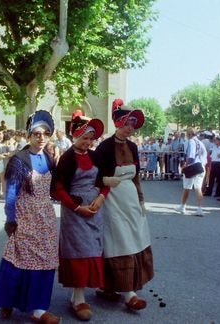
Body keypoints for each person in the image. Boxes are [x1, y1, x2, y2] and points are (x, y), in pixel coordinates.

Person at [0, 110, 60, 324]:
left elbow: (53, 188)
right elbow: (10, 194)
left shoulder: (48, 159)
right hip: (25, 217)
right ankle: (7, 300)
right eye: (37, 133)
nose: (41, 138)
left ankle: (38, 309)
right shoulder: (19, 160)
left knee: (45, 261)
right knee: (18, 261)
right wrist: (11, 220)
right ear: (29, 135)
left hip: (45, 218)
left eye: (46, 133)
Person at [94, 99, 153, 312]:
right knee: (118, 242)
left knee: (136, 238)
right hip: (112, 200)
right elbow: (93, 175)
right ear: (119, 123)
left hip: (130, 200)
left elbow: (136, 177)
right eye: (128, 123)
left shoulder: (133, 147)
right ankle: (128, 294)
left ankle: (112, 288)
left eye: (134, 124)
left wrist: (141, 199)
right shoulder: (104, 147)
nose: (131, 128)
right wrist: (103, 181)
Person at [53, 112, 106, 321]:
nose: (88, 142)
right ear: (75, 136)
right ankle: (78, 298)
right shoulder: (66, 158)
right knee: (79, 252)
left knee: (92, 249)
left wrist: (101, 197)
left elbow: (104, 181)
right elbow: (58, 188)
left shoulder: (95, 157)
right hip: (75, 211)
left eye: (91, 139)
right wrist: (77, 208)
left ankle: (79, 295)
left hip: (94, 209)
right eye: (84, 138)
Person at [175, 128, 207, 216]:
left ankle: (183, 206)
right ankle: (199, 208)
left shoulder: (191, 142)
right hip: (200, 166)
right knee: (198, 188)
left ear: (189, 134)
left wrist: (185, 166)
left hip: (193, 167)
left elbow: (191, 156)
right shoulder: (200, 143)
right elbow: (205, 156)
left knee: (187, 187)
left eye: (186, 133)